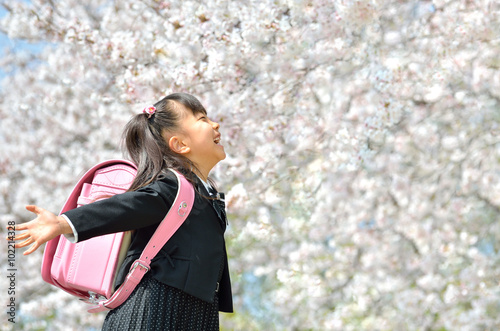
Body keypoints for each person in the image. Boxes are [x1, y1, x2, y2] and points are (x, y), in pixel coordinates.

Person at [10, 92, 233, 330]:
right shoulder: (173, 186)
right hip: (157, 308)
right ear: (180, 144)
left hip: (195, 312)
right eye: (202, 119)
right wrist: (64, 223)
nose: (215, 124)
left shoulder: (203, 192)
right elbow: (128, 207)